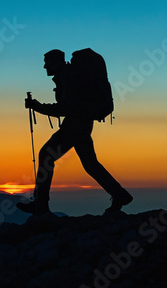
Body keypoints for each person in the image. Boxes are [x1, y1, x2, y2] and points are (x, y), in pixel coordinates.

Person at [17, 49, 133, 216]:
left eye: (47, 62)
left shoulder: (69, 78)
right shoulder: (69, 76)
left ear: (56, 62)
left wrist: (38, 107)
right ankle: (120, 195)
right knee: (90, 164)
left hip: (75, 126)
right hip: (81, 125)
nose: (44, 66)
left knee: (46, 156)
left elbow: (66, 108)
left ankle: (41, 206)